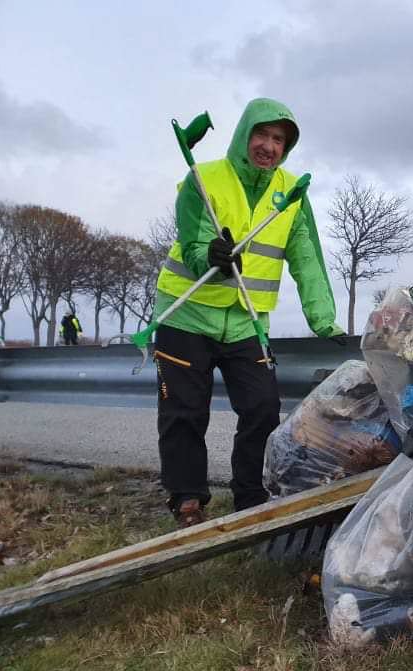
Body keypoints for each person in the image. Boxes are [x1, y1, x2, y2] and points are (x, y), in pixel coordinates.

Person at [153, 97, 345, 528]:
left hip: (245, 320)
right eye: (262, 134)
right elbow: (192, 238)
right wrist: (210, 255)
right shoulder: (204, 178)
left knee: (262, 406)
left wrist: (323, 319)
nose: (269, 146)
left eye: (279, 140)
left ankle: (250, 496)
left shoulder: (291, 194)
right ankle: (187, 500)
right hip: (186, 312)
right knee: (185, 411)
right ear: (245, 134)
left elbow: (308, 258)